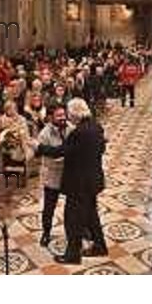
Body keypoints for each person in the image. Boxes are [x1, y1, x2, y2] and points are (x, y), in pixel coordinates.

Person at [49, 98, 108, 265]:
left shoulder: (79, 132)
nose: (68, 117)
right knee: (91, 216)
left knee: (72, 219)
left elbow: (62, 151)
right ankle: (100, 246)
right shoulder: (97, 127)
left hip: (79, 183)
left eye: (69, 114)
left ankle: (73, 255)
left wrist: (39, 148)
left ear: (74, 113)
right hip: (93, 180)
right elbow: (101, 148)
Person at [35, 105, 72, 247]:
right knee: (49, 207)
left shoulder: (71, 128)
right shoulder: (45, 134)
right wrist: (63, 154)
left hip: (69, 173)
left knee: (75, 204)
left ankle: (82, 229)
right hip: (52, 175)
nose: (63, 118)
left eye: (64, 114)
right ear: (51, 118)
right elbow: (47, 156)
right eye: (59, 115)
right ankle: (46, 232)